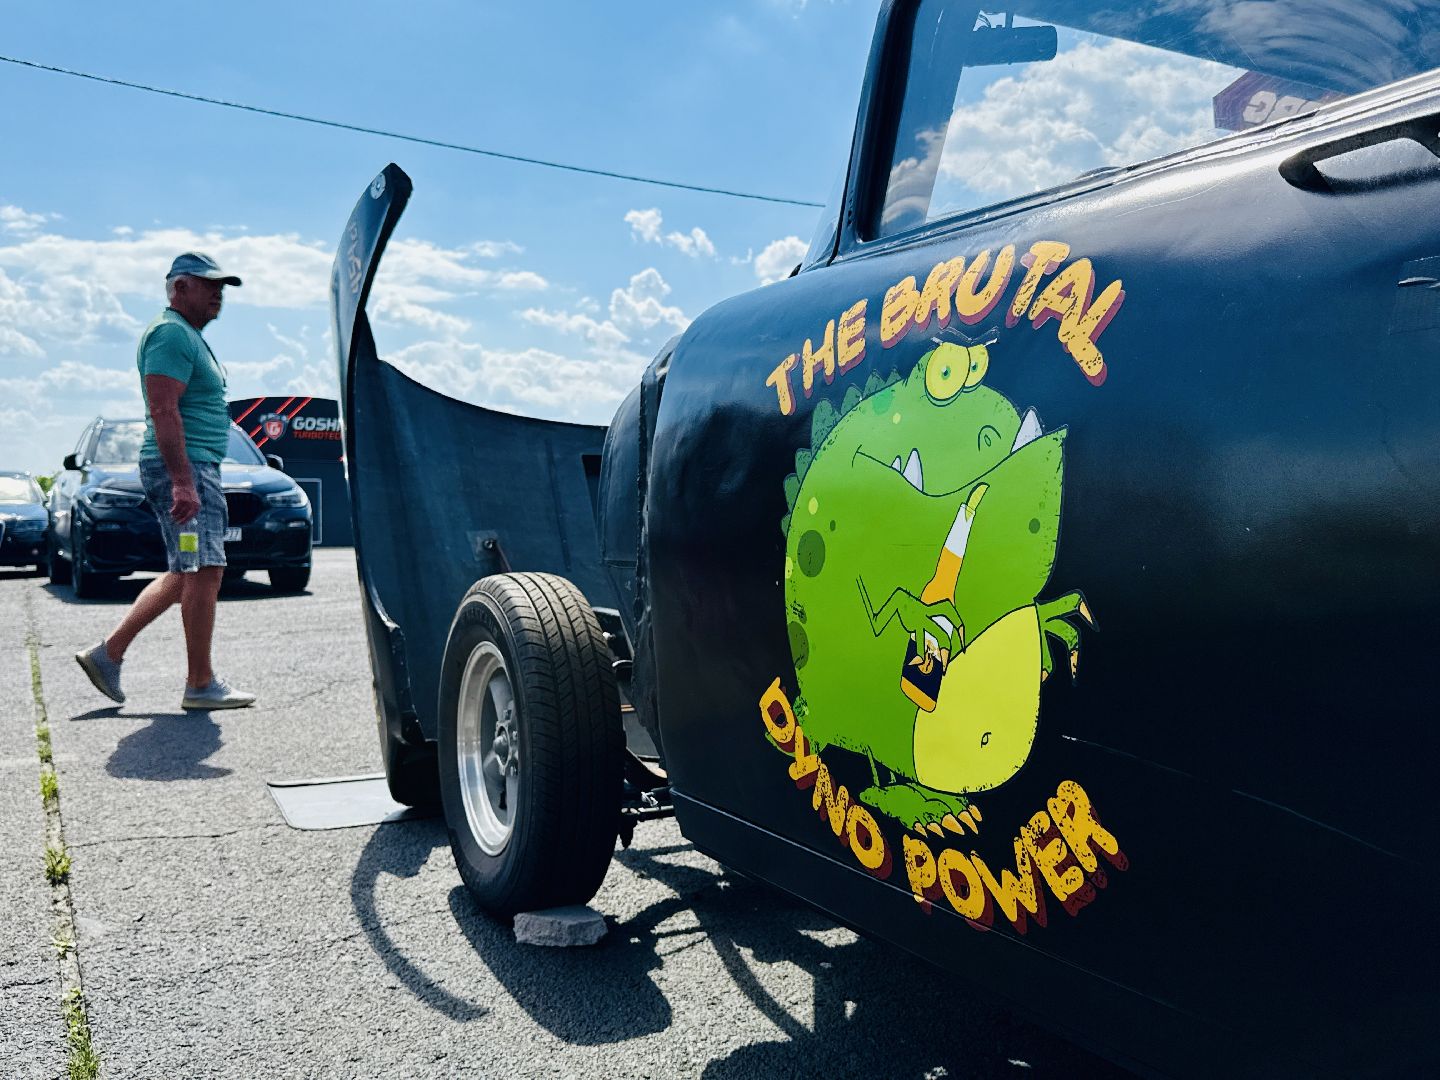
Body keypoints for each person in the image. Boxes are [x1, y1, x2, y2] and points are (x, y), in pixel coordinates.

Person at [76, 253, 256, 710]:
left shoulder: (186, 337)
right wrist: (182, 482)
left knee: (187, 571)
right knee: (203, 570)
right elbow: (163, 409)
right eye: (209, 284)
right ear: (180, 288)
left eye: (223, 286)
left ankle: (107, 653)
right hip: (187, 467)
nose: (219, 293)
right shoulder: (170, 333)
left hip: (195, 466)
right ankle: (200, 683)